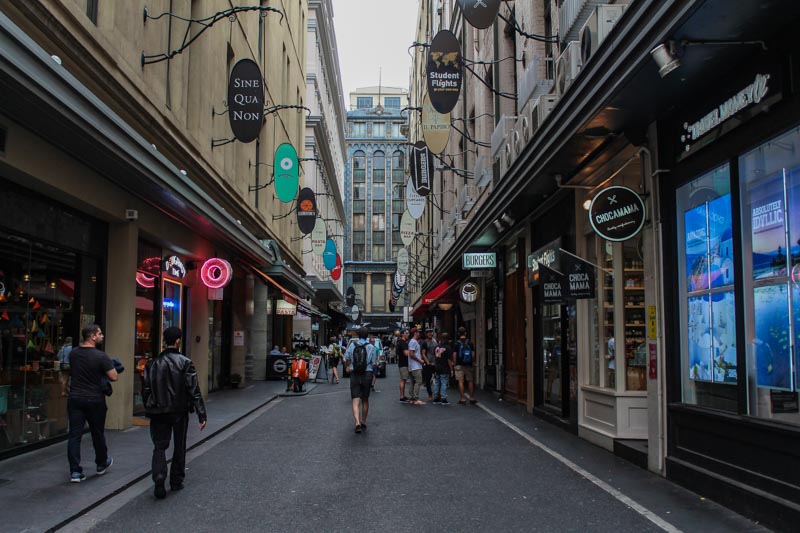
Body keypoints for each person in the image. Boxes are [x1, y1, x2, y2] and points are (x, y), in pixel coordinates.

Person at [143, 326, 206, 499]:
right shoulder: (185, 362)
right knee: (179, 445)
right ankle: (176, 480)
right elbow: (194, 389)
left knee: (159, 445)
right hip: (179, 410)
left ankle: (159, 475)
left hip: (158, 410)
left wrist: (149, 407)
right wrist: (201, 413)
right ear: (178, 341)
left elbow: (146, 389)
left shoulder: (152, 363)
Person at [66, 324, 117, 483]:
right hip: (95, 399)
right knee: (97, 432)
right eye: (100, 333)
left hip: (75, 398)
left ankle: (75, 471)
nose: (102, 336)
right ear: (92, 336)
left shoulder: (74, 354)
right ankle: (101, 462)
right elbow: (114, 376)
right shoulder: (101, 356)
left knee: (74, 435)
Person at [344, 327, 377, 433]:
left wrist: (348, 366)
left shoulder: (352, 345)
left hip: (355, 373)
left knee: (355, 399)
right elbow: (374, 363)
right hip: (367, 374)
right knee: (365, 399)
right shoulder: (371, 347)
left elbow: (347, 358)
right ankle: (363, 421)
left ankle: (357, 422)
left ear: (358, 335)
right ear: (367, 336)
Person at [454, 327, 477, 405]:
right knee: (470, 381)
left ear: (458, 334)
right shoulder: (470, 343)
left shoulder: (456, 343)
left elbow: (454, 354)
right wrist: (473, 362)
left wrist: (455, 363)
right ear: (465, 333)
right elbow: (473, 354)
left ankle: (463, 398)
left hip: (459, 364)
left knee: (461, 381)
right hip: (468, 364)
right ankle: (471, 398)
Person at [432, 332, 453, 405]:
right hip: (445, 367)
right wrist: (451, 369)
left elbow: (434, 357)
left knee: (437, 382)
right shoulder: (448, 347)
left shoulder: (436, 346)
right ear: (447, 339)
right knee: (444, 383)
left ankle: (436, 398)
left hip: (437, 366)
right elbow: (449, 360)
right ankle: (443, 398)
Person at [407, 328, 425, 405]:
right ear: (415, 333)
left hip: (412, 366)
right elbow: (411, 354)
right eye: (418, 332)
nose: (419, 334)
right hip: (415, 366)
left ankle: (411, 397)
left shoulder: (413, 341)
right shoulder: (413, 342)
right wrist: (420, 360)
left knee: (412, 381)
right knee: (418, 381)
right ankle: (416, 398)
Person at [421, 329, 437, 401]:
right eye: (429, 333)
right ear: (426, 334)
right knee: (428, 380)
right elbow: (423, 354)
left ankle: (437, 394)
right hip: (428, 363)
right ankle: (430, 394)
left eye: (431, 332)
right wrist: (427, 363)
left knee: (437, 379)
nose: (430, 334)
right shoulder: (425, 342)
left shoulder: (435, 341)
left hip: (435, 362)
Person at [396, 329, 410, 403]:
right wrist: (411, 352)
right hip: (403, 363)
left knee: (403, 380)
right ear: (403, 334)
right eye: (406, 333)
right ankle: (402, 396)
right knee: (403, 380)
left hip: (402, 363)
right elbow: (406, 353)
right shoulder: (403, 343)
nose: (408, 334)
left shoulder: (401, 342)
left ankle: (402, 395)